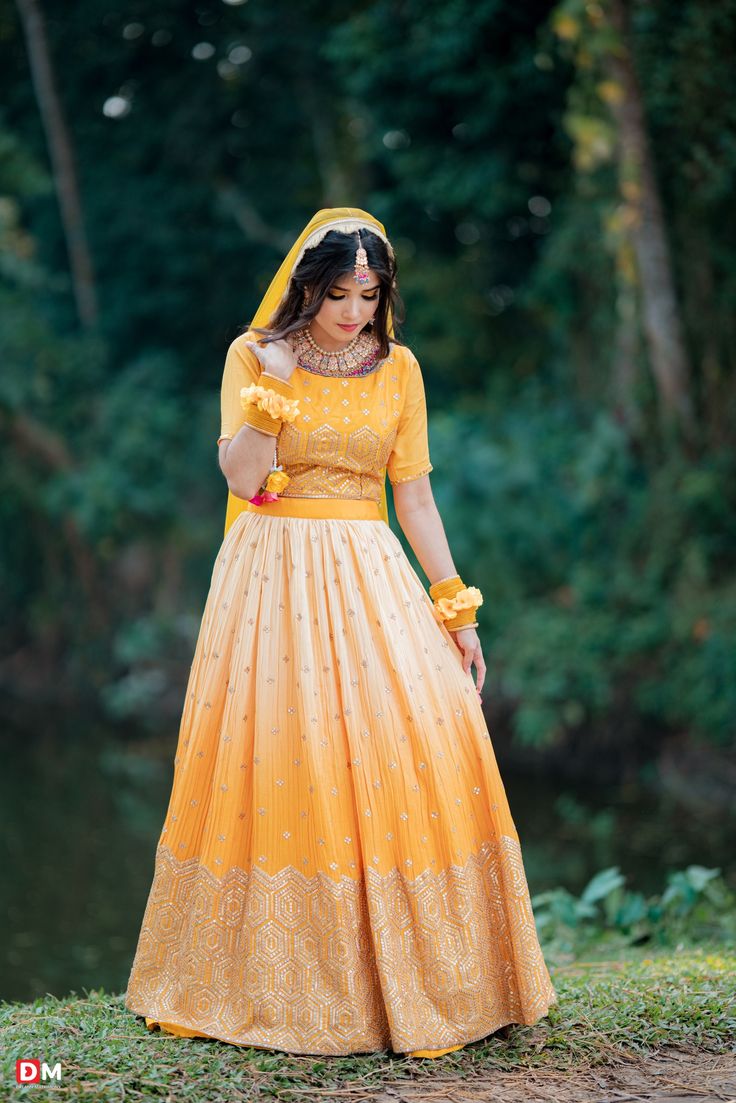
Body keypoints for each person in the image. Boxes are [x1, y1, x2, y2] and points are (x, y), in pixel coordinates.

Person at [124, 206, 557, 1058]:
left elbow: (417, 498)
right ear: (307, 286)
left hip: (369, 568)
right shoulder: (254, 355)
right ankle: (272, 985)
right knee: (282, 756)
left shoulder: (400, 369)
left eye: (369, 291)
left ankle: (441, 976)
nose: (355, 310)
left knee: (426, 734)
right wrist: (273, 385)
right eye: (338, 292)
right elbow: (246, 480)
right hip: (272, 571)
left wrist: (455, 606)